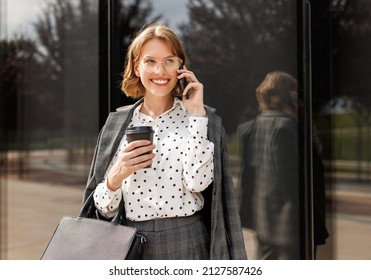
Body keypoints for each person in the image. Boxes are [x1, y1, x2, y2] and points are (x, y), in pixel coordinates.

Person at [80, 22, 247, 260]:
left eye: (169, 60)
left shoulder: (202, 119)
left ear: (181, 66)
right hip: (130, 244)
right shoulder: (116, 124)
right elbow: (101, 211)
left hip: (189, 243)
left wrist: (197, 115)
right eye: (150, 61)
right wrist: (115, 177)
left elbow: (198, 183)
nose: (161, 71)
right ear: (137, 67)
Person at [237, 71, 328, 259]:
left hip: (263, 221)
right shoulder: (287, 127)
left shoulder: (252, 127)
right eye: (295, 93)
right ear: (284, 95)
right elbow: (292, 182)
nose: (299, 97)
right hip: (290, 228)